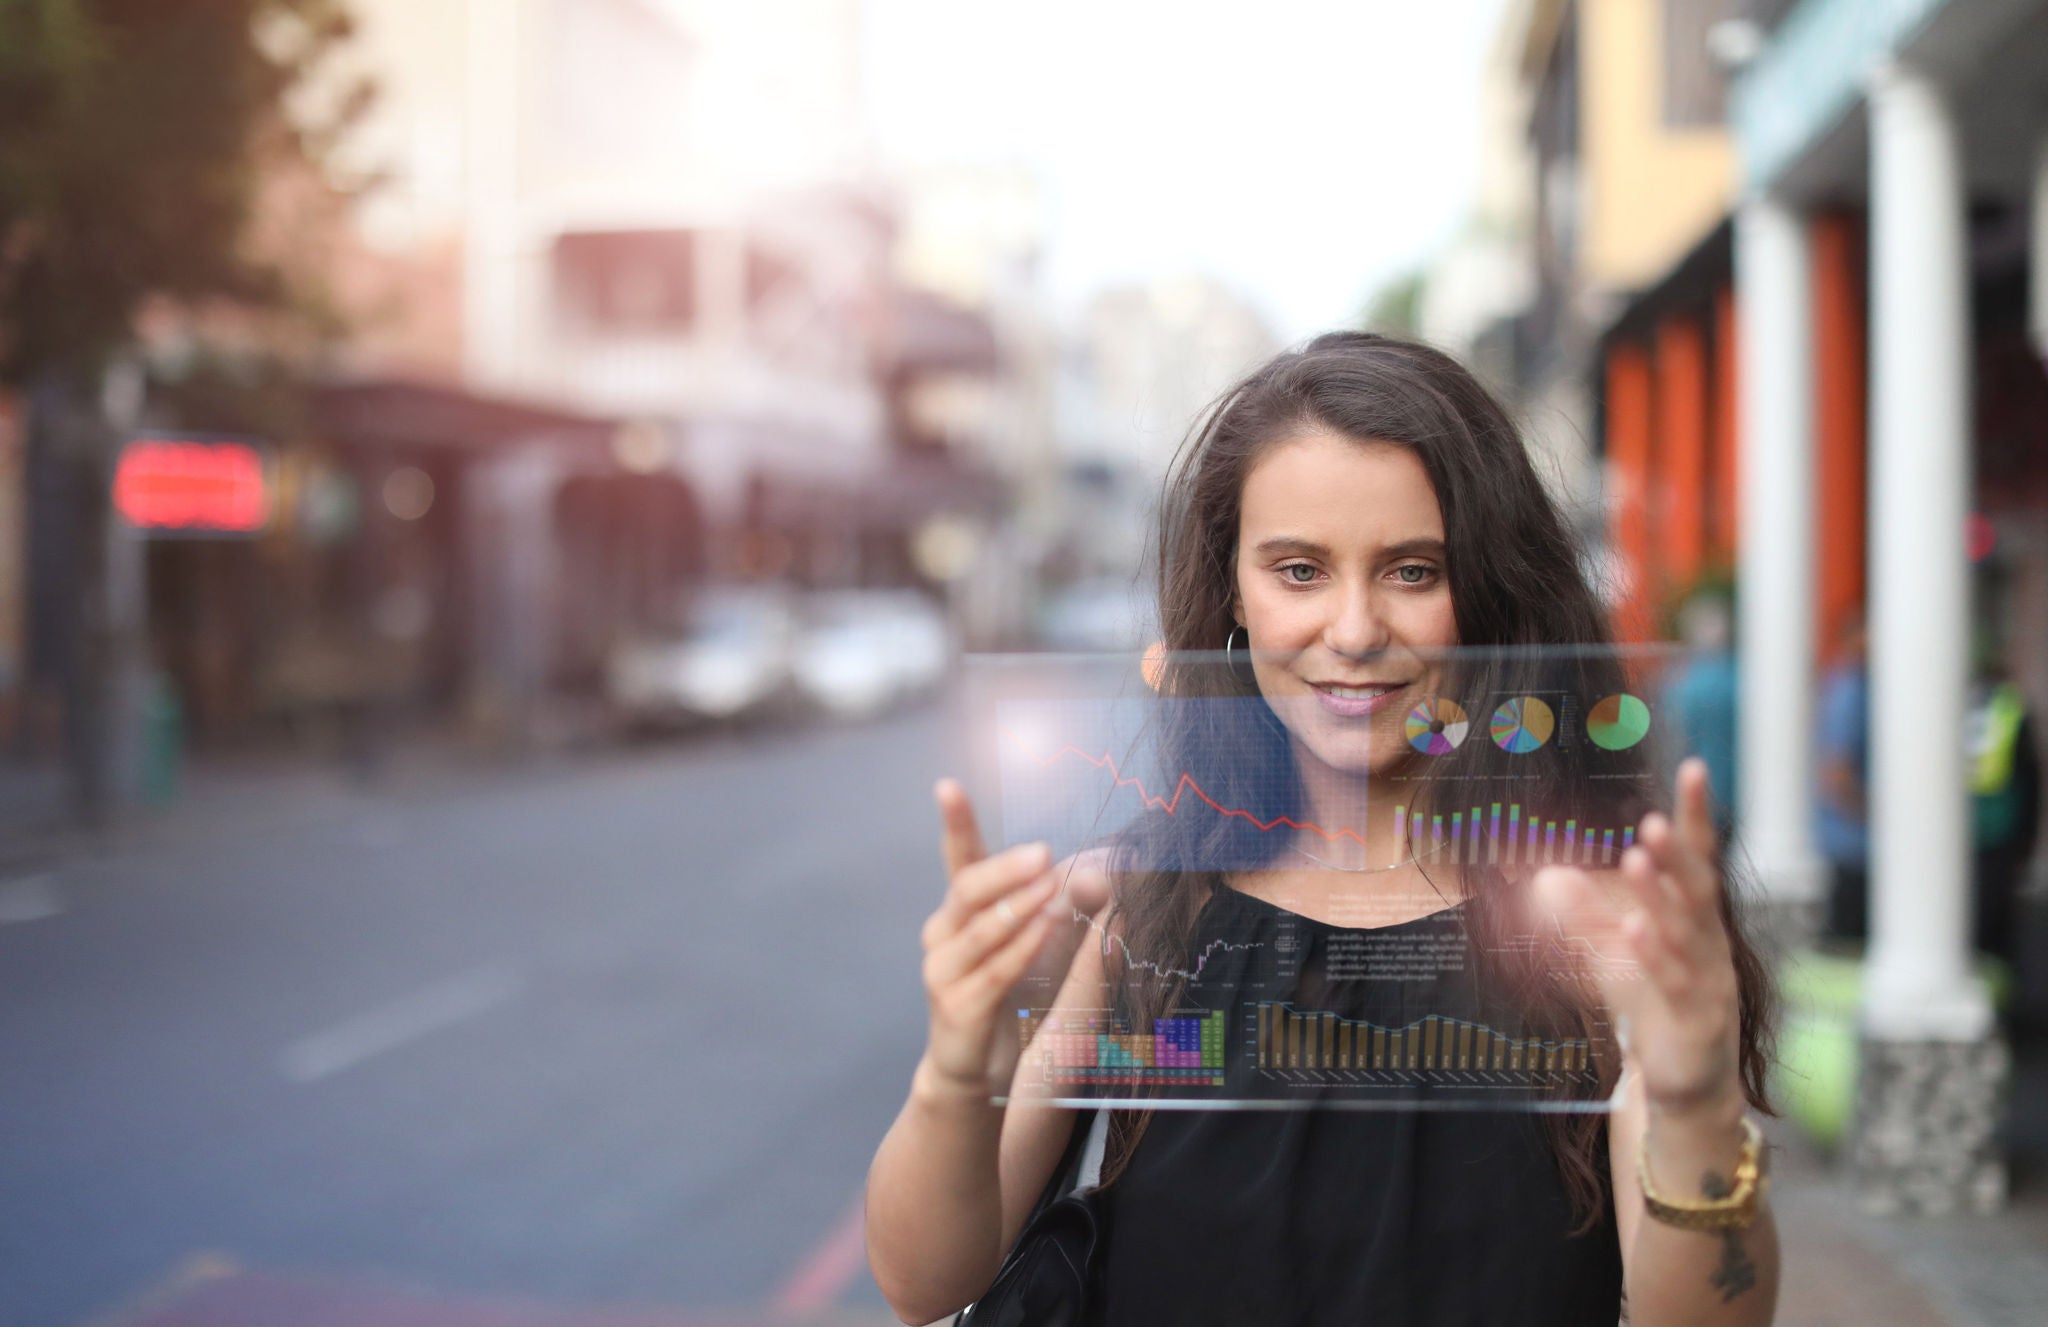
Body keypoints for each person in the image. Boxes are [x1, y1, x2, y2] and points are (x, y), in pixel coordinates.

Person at [864, 333, 1781, 1325]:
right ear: (1232, 598)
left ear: (1495, 597)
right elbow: (925, 1282)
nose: (1350, 630)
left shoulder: (1594, 917)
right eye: (1298, 570)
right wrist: (963, 1065)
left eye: (1413, 571)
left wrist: (1690, 1102)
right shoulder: (1145, 909)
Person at [1813, 612, 1870, 945]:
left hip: (1853, 837)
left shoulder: (1852, 686)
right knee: (1848, 935)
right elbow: (1838, 771)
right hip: (1853, 840)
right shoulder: (1849, 691)